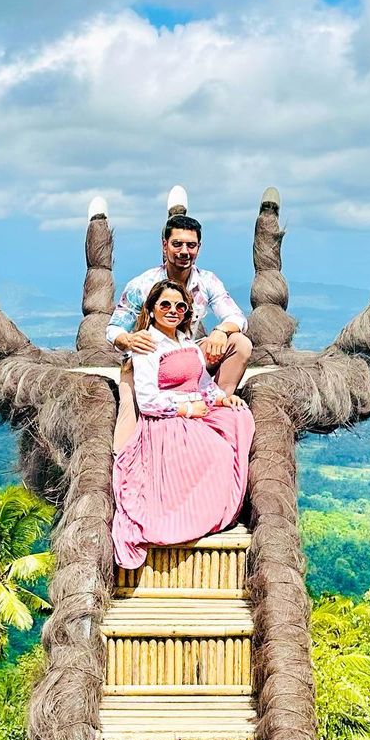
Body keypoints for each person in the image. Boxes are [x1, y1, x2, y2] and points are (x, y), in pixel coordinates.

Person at [111, 278, 255, 568]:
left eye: (180, 306)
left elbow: (201, 381)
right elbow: (150, 400)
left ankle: (216, 508)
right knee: (215, 453)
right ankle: (194, 516)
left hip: (194, 409)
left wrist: (222, 399)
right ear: (151, 310)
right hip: (167, 420)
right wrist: (187, 408)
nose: (173, 310)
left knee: (240, 418)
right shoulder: (147, 344)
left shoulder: (185, 340)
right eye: (165, 304)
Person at [106, 208, 253, 395]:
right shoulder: (142, 284)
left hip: (187, 358)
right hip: (147, 359)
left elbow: (237, 317)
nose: (184, 252)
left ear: (199, 247)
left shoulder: (207, 281)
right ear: (164, 245)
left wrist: (221, 331)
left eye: (191, 245)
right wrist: (128, 340)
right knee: (129, 412)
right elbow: (113, 329)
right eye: (177, 244)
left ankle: (222, 401)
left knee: (240, 342)